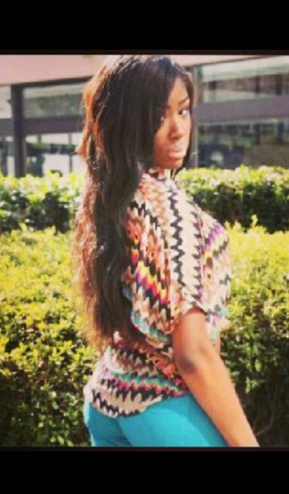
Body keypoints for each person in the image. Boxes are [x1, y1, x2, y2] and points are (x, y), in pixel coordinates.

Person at [71, 55, 259, 448]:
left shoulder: (113, 195)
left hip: (109, 396)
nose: (178, 129)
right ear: (127, 121)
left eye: (183, 110)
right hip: (162, 408)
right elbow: (192, 354)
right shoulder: (171, 211)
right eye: (158, 115)